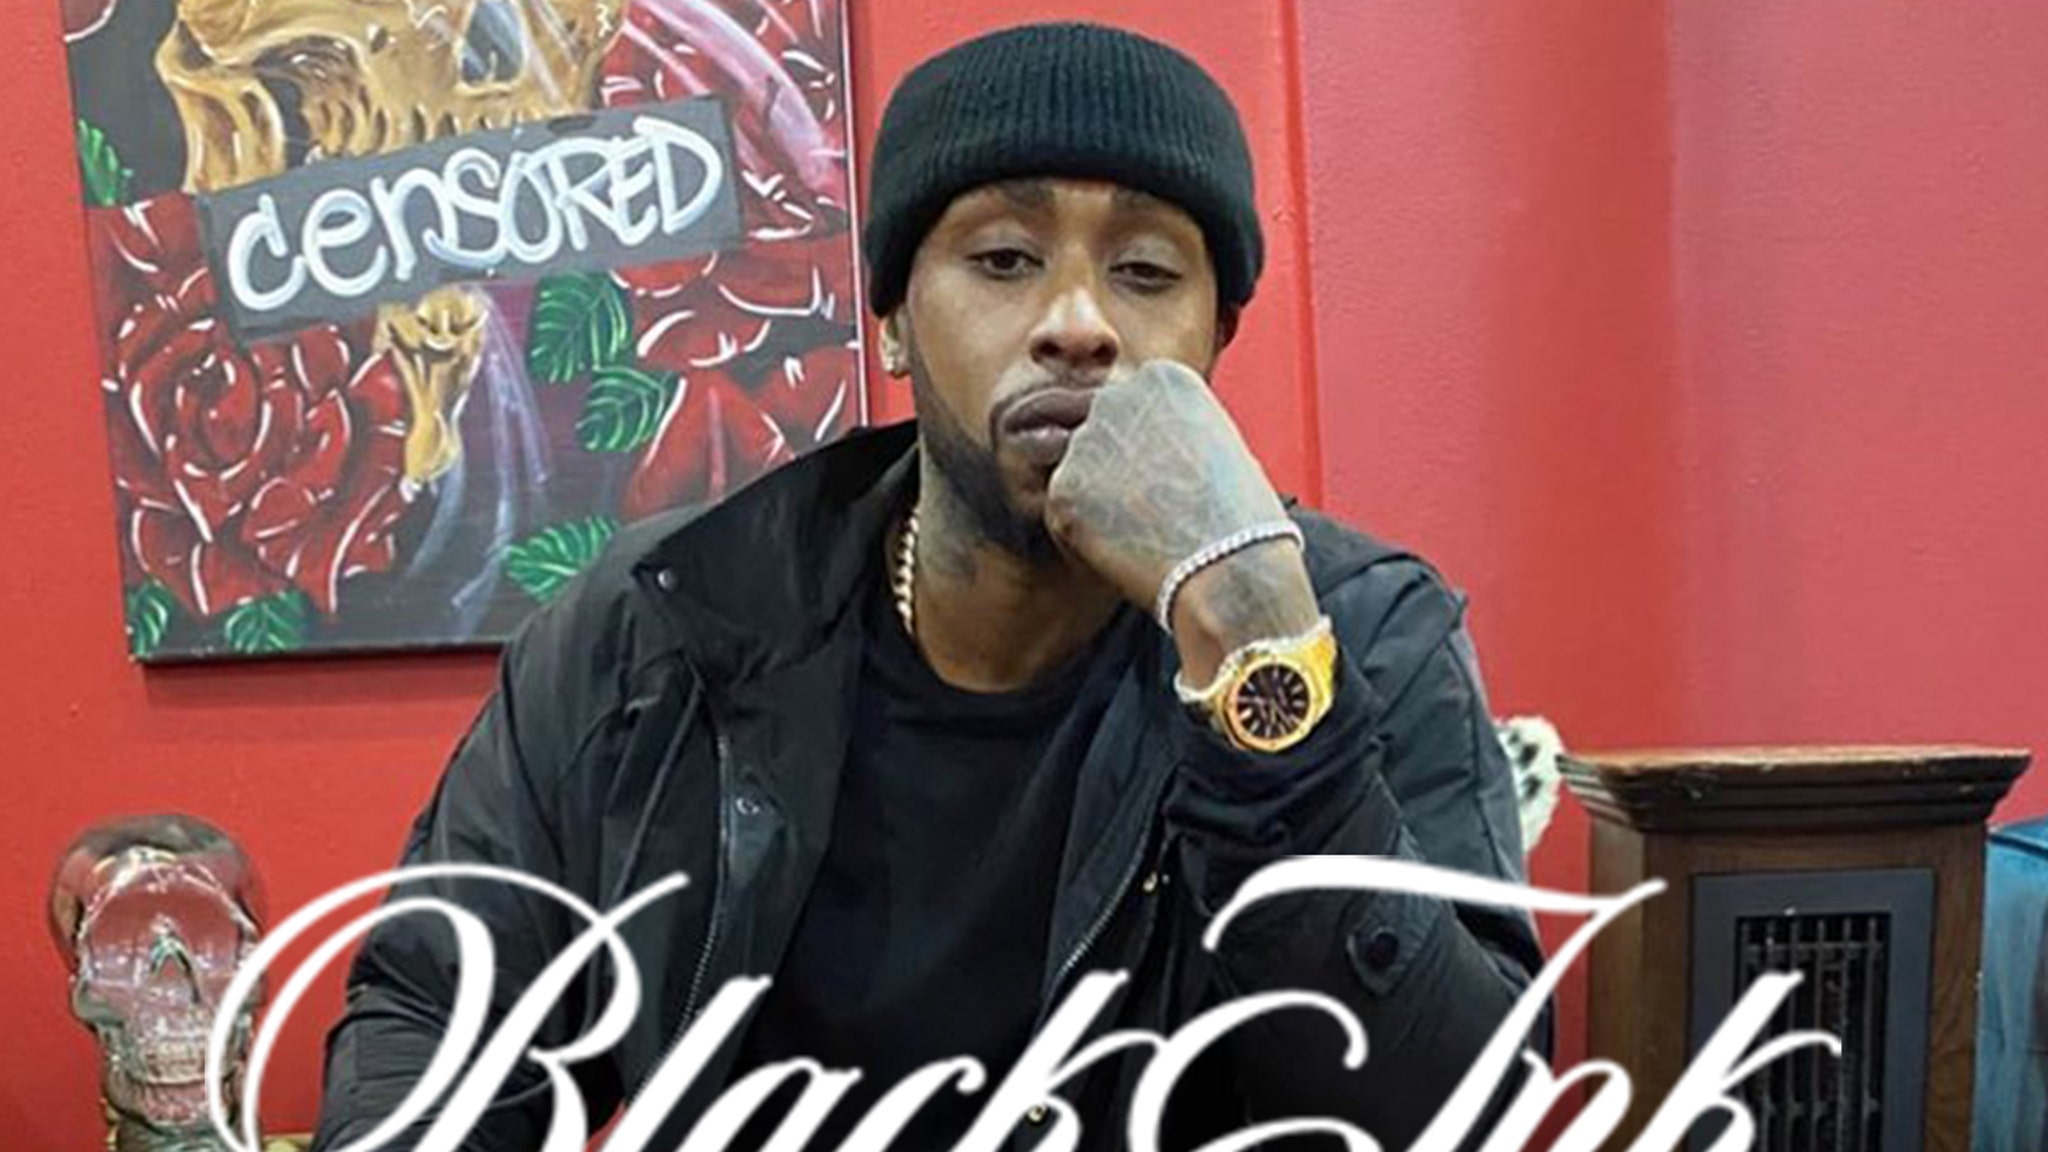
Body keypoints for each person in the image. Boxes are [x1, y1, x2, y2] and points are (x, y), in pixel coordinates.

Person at [312, 21, 1546, 1152]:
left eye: (1144, 273)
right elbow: (437, 1017)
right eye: (1003, 258)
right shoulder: (657, 628)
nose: (1077, 324)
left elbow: (1464, 1119)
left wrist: (1257, 661)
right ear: (895, 321)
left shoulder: (1362, 635)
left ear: (1215, 338)